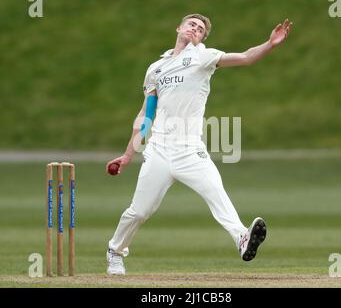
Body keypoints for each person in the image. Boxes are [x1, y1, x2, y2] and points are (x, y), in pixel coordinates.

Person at [105, 14, 293, 275]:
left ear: (202, 38)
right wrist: (127, 155)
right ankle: (115, 251)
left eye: (200, 28)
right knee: (139, 212)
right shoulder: (155, 69)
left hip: (190, 150)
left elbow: (246, 57)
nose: (195, 28)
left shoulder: (203, 57)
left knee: (216, 192)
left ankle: (242, 238)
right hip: (159, 149)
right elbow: (146, 115)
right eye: (191, 24)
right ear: (179, 27)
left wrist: (270, 44)